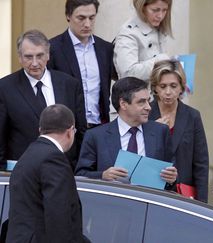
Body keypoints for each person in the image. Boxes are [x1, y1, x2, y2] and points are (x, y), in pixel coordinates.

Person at [0, 29, 86, 170]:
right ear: (19, 58)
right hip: (24, 172)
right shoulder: (5, 88)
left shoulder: (69, 84)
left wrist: (78, 168)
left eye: (39, 56)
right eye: (28, 57)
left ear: (48, 55)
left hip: (64, 169)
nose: (34, 63)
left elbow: (81, 130)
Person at [6, 104, 90, 243]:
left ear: (40, 130)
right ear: (70, 131)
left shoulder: (29, 154)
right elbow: (59, 215)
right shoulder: (53, 158)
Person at [75, 76, 177, 189]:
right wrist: (103, 175)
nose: (148, 107)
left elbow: (170, 177)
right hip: (112, 203)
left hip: (149, 203)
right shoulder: (96, 136)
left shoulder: (160, 132)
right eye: (141, 102)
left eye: (148, 101)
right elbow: (81, 176)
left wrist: (172, 179)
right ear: (123, 104)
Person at [149, 60, 209, 202]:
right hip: (150, 192)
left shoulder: (192, 116)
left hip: (182, 195)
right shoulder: (146, 114)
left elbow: (201, 163)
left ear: (181, 88)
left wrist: (201, 205)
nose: (168, 92)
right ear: (155, 88)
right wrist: (152, 131)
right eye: (163, 86)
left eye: (173, 86)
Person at [48, 0, 114, 127]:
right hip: (67, 127)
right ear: (68, 16)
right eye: (81, 18)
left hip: (100, 125)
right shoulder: (53, 49)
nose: (87, 24)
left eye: (92, 18)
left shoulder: (105, 48)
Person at [113, 0, 172, 80]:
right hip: (136, 91)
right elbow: (128, 73)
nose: (160, 16)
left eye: (164, 10)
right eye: (155, 10)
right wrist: (160, 61)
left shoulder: (160, 28)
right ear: (142, 7)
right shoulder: (128, 33)